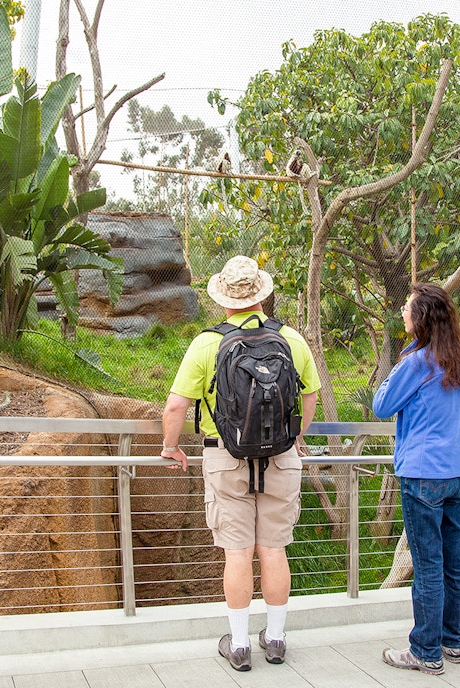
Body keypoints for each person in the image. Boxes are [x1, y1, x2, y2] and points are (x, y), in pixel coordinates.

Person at [161, 255, 320, 672]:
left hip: (225, 457)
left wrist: (170, 446)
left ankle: (240, 644)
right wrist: (296, 436)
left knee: (237, 553)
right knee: (273, 550)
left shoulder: (207, 343)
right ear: (262, 296)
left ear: (223, 299)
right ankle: (278, 639)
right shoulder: (292, 339)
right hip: (282, 457)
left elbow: (177, 404)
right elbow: (309, 395)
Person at [372, 282, 460, 676]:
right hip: (455, 473)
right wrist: (456, 420)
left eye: (407, 309)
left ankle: (425, 651)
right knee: (453, 562)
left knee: (427, 564)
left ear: (421, 318)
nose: (401, 314)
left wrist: (403, 361)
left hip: (421, 475)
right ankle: (452, 642)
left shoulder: (417, 363)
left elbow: (381, 406)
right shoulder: (459, 359)